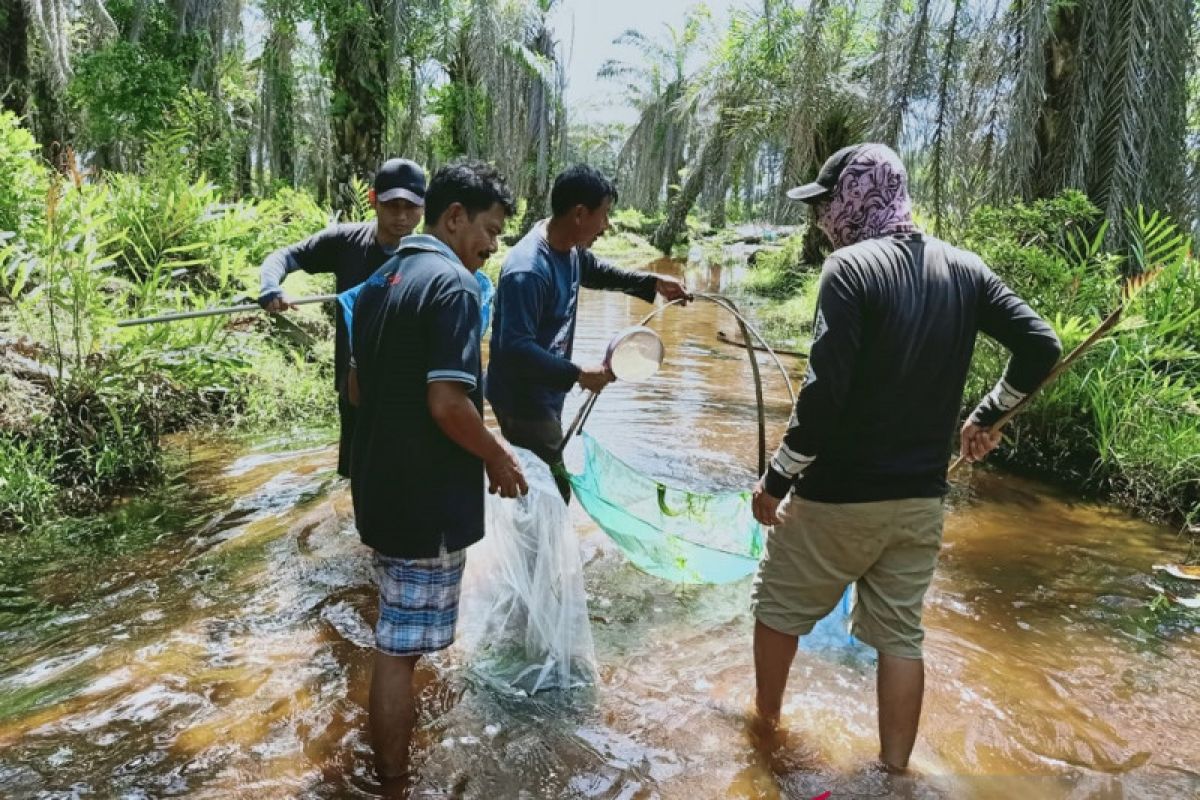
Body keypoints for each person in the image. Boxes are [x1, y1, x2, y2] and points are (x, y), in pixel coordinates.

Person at [748, 143, 1062, 772]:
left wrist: (776, 480)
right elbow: (1040, 345)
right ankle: (895, 773)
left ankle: (765, 730)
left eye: (825, 205)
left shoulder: (850, 270)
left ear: (852, 199)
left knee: (776, 610)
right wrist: (988, 414)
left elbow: (824, 394)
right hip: (920, 500)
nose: (821, 220)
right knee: (900, 638)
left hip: (837, 498)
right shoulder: (965, 269)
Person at [348, 160, 529, 789]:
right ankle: (394, 783)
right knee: (398, 650)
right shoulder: (454, 287)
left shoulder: (377, 282)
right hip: (423, 502)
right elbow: (448, 403)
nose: (493, 246)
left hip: (380, 492)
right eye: (490, 230)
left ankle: (389, 764)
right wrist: (497, 456)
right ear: (454, 218)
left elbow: (355, 388)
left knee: (400, 634)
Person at [486, 164, 691, 501]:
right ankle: (536, 551)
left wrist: (653, 283)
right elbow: (515, 349)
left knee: (534, 485)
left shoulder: (569, 250)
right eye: (605, 214)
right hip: (523, 399)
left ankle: (527, 544)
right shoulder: (528, 270)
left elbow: (595, 271)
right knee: (551, 492)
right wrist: (579, 374)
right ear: (580, 214)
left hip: (545, 390)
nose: (607, 225)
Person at [258, 158, 427, 478]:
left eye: (412, 207)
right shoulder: (346, 243)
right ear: (374, 200)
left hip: (412, 393)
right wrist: (270, 287)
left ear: (424, 206)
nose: (402, 217)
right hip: (356, 388)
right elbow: (285, 256)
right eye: (393, 205)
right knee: (360, 478)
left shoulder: (432, 255)